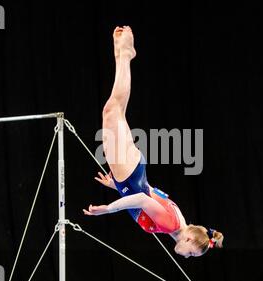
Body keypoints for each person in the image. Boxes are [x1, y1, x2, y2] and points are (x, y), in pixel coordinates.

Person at [83, 26, 223, 258]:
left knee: (114, 111)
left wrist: (115, 187)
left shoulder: (178, 224)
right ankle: (125, 56)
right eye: (191, 253)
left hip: (132, 175)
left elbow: (152, 193)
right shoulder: (171, 224)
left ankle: (123, 55)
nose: (186, 256)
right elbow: (140, 198)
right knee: (112, 111)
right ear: (189, 238)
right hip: (130, 175)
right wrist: (108, 209)